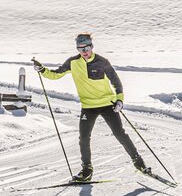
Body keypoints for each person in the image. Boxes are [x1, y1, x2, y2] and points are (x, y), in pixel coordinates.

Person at [34, 33, 148, 182]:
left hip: (108, 105)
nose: (84, 51)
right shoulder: (73, 62)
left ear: (91, 47)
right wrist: (42, 70)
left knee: (119, 134)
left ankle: (138, 162)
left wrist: (119, 100)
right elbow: (55, 75)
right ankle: (87, 170)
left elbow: (116, 82)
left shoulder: (102, 62)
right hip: (88, 107)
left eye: (86, 47)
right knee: (84, 138)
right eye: (80, 49)